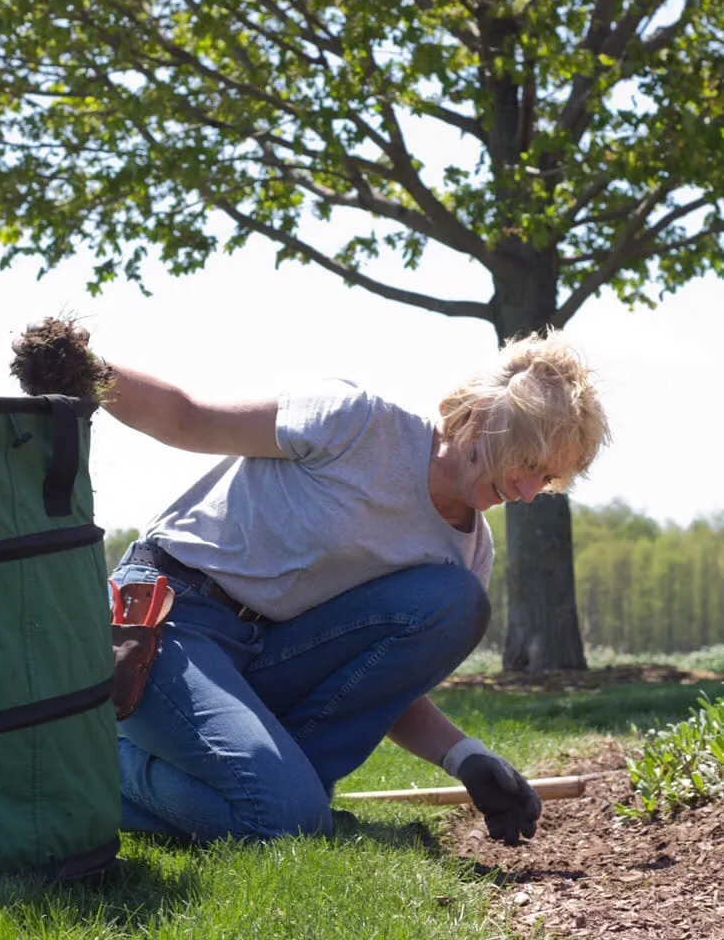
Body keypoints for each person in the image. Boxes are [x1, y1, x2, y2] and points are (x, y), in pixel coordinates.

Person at [101, 329, 609, 846]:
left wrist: (466, 757)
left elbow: (375, 683)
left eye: (545, 480)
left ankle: (272, 795)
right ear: (479, 419)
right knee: (285, 822)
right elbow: (186, 416)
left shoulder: (467, 554)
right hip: (171, 618)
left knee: (455, 602)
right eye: (527, 465)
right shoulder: (354, 423)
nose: (527, 494)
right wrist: (87, 371)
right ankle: (95, 765)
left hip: (267, 655)